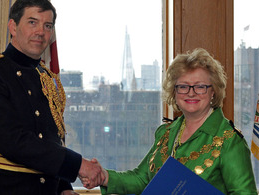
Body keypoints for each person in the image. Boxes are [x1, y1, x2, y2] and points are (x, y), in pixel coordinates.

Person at [0, 0, 105, 194]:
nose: (41, 31)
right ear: (13, 27)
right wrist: (78, 165)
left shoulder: (48, 79)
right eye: (32, 22)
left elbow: (52, 140)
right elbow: (14, 142)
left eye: (47, 26)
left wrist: (63, 187)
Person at [81, 48, 257, 194]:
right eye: (183, 86)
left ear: (213, 92)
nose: (191, 92)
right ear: (174, 92)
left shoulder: (230, 141)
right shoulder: (165, 133)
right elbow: (142, 179)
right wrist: (104, 176)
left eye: (200, 86)